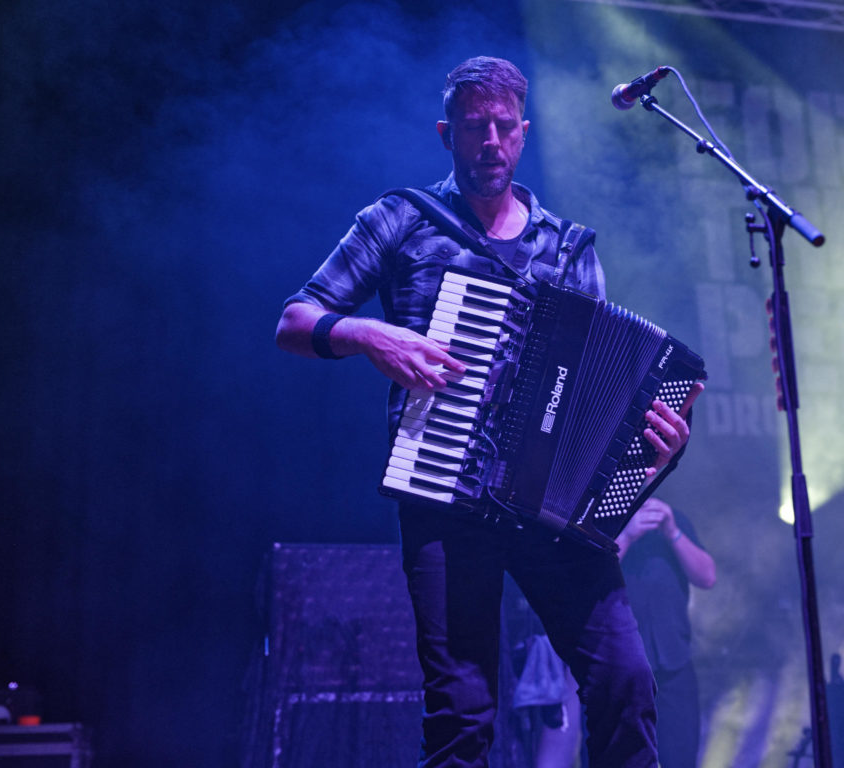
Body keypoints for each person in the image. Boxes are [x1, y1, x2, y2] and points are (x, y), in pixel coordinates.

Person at [275, 56, 704, 768]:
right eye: (475, 127)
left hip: (551, 515)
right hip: (445, 497)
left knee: (625, 681)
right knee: (462, 713)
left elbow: (599, 397)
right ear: (448, 133)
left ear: (524, 132)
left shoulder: (567, 247)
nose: (491, 142)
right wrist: (371, 335)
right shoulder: (402, 220)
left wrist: (655, 444)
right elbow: (295, 320)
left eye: (505, 127)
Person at [616, 497, 716, 768]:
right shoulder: (602, 519)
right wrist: (627, 535)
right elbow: (590, 576)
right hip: (617, 669)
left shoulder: (672, 518)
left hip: (673, 664)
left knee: (680, 757)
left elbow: (707, 577)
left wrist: (672, 531)